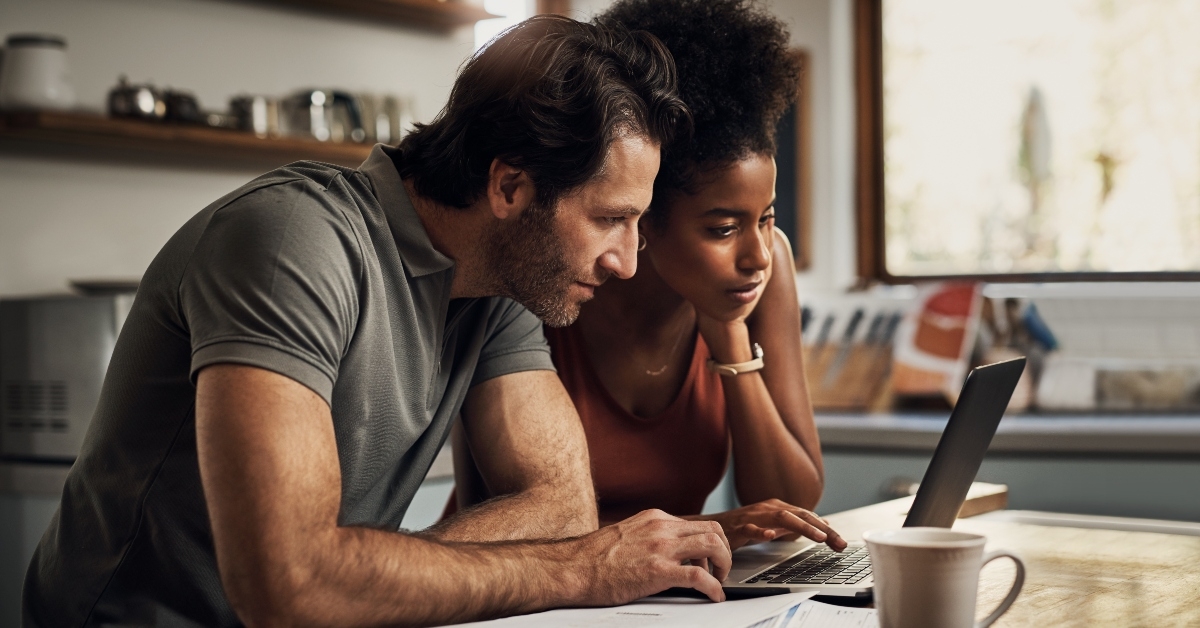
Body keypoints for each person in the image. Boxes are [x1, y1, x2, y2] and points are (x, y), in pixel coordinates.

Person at [23, 16, 737, 628]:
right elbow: (290, 585)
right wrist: (581, 572)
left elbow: (561, 505)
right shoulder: (291, 241)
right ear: (510, 186)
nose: (628, 262)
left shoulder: (501, 286)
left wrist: (370, 578)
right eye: (611, 219)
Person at [448, 0, 847, 553]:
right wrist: (701, 529)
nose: (758, 254)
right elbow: (494, 520)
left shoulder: (758, 275)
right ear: (644, 214)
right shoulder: (545, 281)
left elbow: (793, 502)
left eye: (768, 216)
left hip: (658, 592)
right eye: (723, 228)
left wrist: (728, 336)